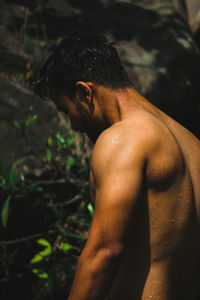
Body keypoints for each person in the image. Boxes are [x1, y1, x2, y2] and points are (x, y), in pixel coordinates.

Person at [33, 31, 200, 300]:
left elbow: (104, 252)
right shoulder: (191, 143)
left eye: (67, 111)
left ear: (84, 92)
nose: (74, 125)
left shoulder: (123, 140)